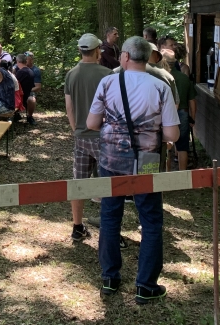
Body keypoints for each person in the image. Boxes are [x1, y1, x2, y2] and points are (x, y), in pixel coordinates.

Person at [87, 36, 180, 305]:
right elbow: (172, 134)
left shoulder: (108, 83)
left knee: (109, 216)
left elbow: (92, 123)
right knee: (150, 221)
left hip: (112, 160)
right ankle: (146, 285)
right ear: (147, 57)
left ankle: (110, 278)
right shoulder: (160, 86)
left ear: (125, 57)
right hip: (146, 162)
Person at [64, 34, 112, 242]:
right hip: (104, 137)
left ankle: (77, 226)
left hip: (81, 137)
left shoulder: (71, 74)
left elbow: (69, 108)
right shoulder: (107, 75)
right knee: (109, 183)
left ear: (80, 50)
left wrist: (76, 129)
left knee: (79, 182)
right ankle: (110, 231)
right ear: (97, 50)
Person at [162, 49, 196, 170]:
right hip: (183, 113)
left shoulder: (161, 78)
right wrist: (193, 118)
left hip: (165, 114)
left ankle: (167, 173)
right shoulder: (184, 78)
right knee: (183, 146)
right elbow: (192, 101)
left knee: (166, 145)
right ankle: (183, 174)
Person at [14, 54, 37, 125]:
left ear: (18, 61)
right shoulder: (30, 71)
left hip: (21, 96)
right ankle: (17, 115)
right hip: (26, 94)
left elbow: (15, 85)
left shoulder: (21, 72)